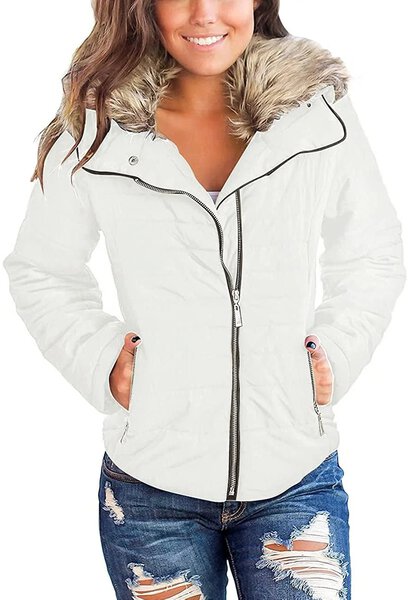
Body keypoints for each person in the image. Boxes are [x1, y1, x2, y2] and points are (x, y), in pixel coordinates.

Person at [3, 0, 406, 598]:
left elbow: (371, 250)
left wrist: (336, 354)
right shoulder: (97, 127)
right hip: (151, 493)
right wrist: (103, 362)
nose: (205, 13)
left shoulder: (314, 111)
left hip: (295, 480)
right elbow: (42, 268)